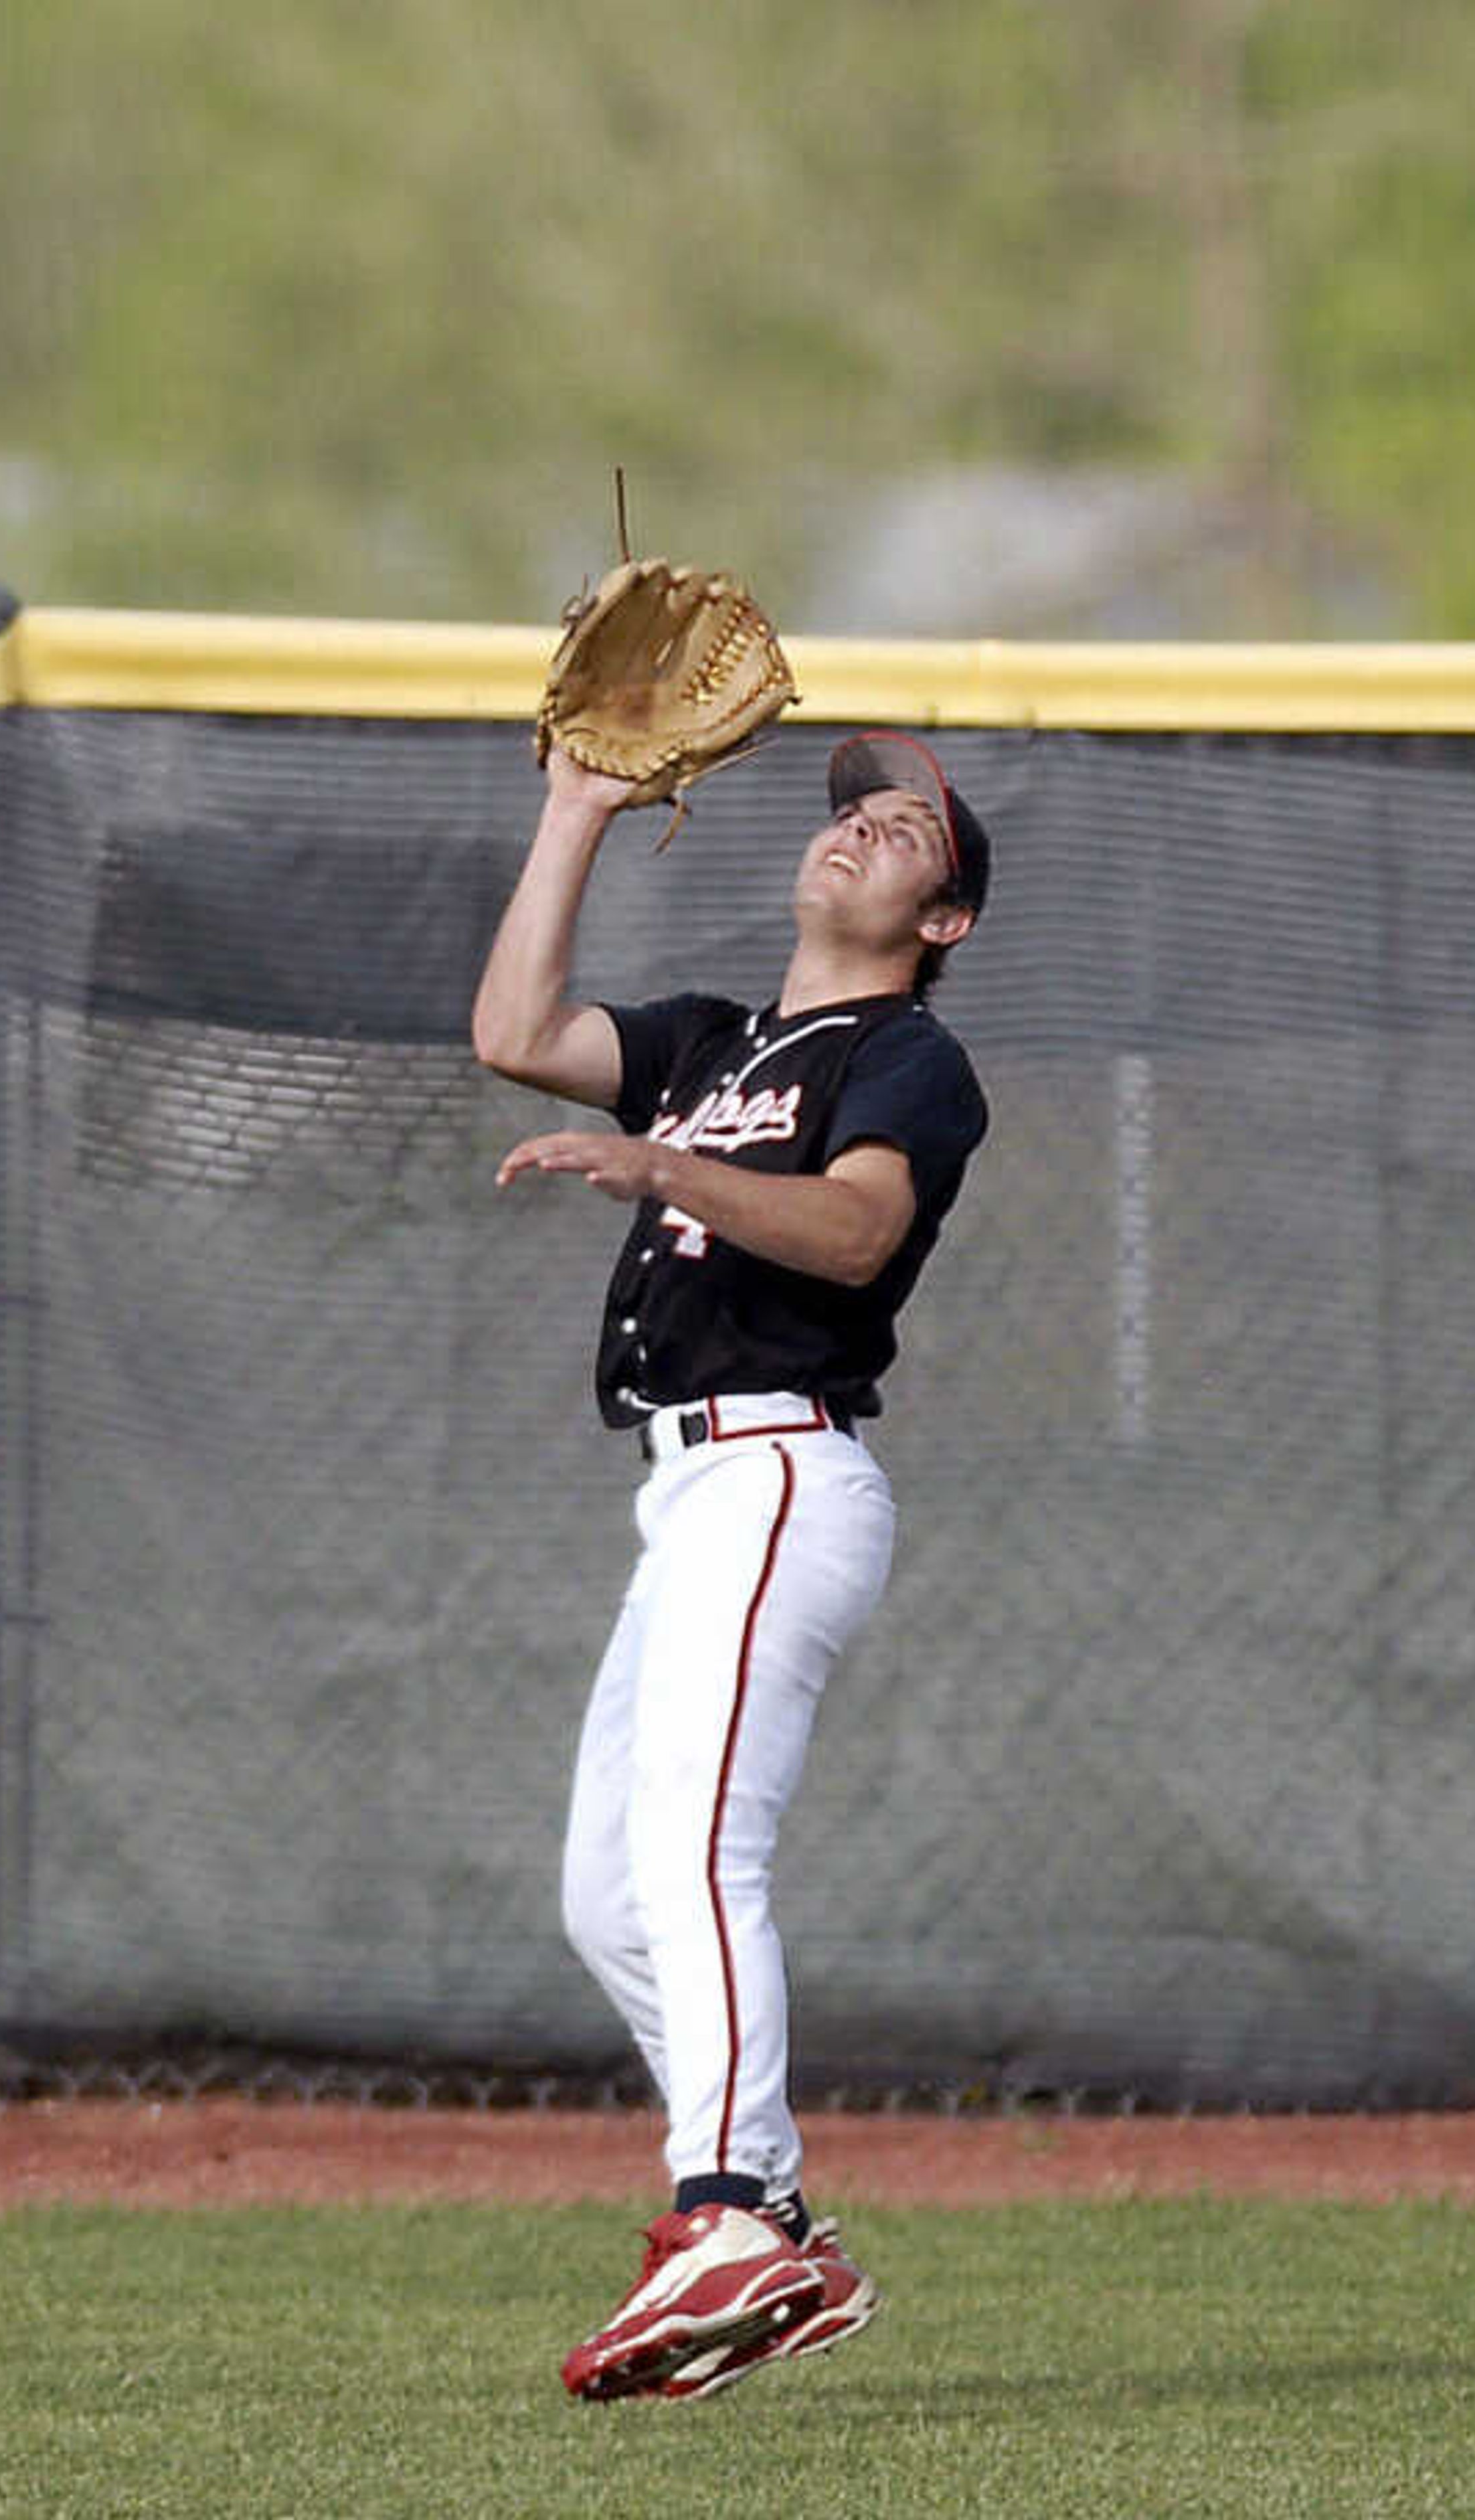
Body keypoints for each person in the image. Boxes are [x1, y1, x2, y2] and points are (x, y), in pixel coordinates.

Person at [472, 727, 992, 2405]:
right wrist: (575, 813)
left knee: (701, 1845)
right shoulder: (714, 1040)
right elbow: (515, 1034)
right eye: (848, 809)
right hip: (687, 1492)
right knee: (609, 1895)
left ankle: (723, 2216)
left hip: (781, 1466)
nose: (860, 830)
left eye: (904, 826)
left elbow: (852, 1232)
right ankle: (773, 2220)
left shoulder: (908, 1059)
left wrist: (659, 1163)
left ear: (948, 917)